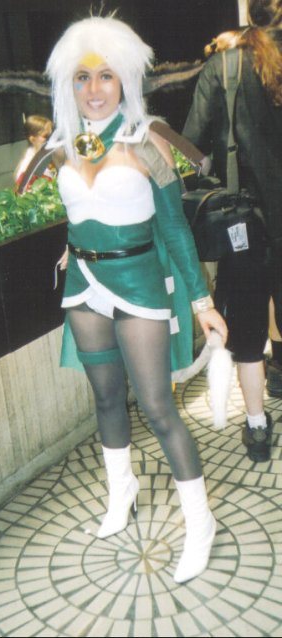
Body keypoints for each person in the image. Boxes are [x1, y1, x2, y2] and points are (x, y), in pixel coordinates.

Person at [45, 14, 227, 584]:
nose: (94, 89)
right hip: (84, 285)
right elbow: (81, 211)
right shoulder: (62, 143)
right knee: (105, 399)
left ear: (125, 78)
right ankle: (120, 492)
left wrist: (202, 304)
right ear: (69, 84)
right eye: (82, 77)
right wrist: (73, 246)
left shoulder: (149, 140)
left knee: (157, 408)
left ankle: (200, 523)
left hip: (140, 285)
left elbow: (173, 228)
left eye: (105, 75)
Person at [183, 0, 282, 464]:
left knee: (245, 332)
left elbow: (191, 143)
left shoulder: (223, 66)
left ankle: (257, 427)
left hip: (245, 221)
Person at [14, 114, 55, 188]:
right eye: (46, 136)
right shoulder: (27, 168)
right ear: (33, 139)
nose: (50, 140)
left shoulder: (48, 156)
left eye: (51, 135)